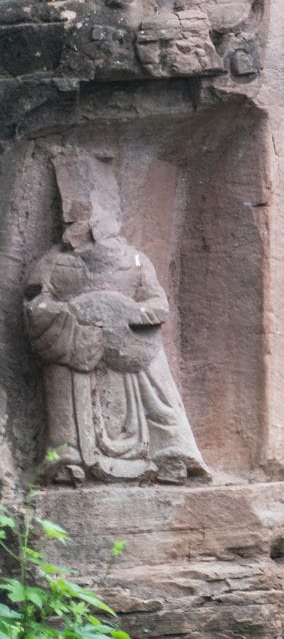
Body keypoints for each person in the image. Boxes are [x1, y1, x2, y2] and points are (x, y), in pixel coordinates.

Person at [24, 151, 210, 485]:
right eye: (78, 220)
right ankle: (68, 456)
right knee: (59, 366)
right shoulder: (53, 262)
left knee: (155, 367)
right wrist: (66, 320)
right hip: (76, 343)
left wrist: (127, 316)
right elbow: (35, 302)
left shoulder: (136, 261)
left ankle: (171, 453)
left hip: (128, 345)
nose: (90, 228)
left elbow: (159, 305)